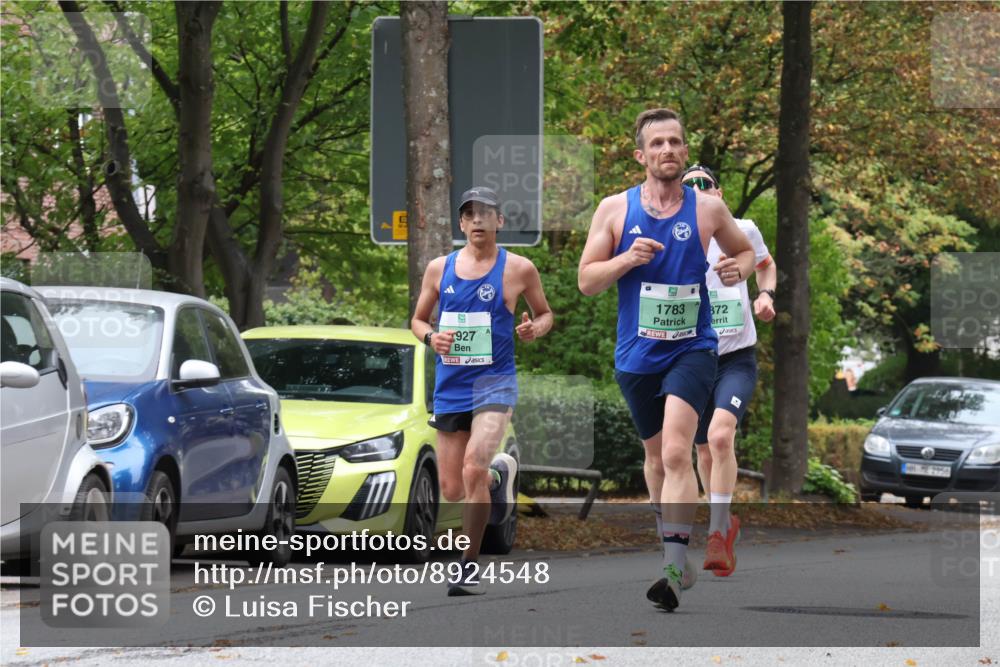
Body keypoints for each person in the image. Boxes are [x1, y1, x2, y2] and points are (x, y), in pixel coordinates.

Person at [577, 108, 755, 612]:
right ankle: (673, 542)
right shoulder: (615, 210)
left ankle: (673, 570)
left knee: (679, 453)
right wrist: (626, 259)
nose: (668, 150)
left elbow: (744, 256)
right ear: (641, 155)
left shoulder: (707, 210)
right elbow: (586, 281)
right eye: (657, 143)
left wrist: (735, 270)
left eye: (676, 142)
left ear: (684, 149)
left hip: (692, 348)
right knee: (654, 459)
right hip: (636, 355)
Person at [411, 186, 553, 596]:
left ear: (499, 221)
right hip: (451, 386)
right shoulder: (439, 269)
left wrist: (533, 328)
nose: (477, 220)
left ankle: (468, 567)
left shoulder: (518, 269)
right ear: (461, 223)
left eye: (485, 213)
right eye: (469, 214)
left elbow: (544, 314)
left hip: (495, 384)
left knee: (472, 466)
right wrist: (431, 337)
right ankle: (498, 476)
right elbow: (418, 321)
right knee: (453, 488)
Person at [681, 164, 777, 578]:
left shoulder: (743, 230)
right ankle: (722, 521)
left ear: (719, 192)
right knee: (703, 449)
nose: (699, 190)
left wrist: (765, 295)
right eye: (690, 187)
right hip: (693, 357)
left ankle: (718, 531)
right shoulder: (679, 238)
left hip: (737, 356)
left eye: (705, 184)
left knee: (721, 437)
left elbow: (766, 265)